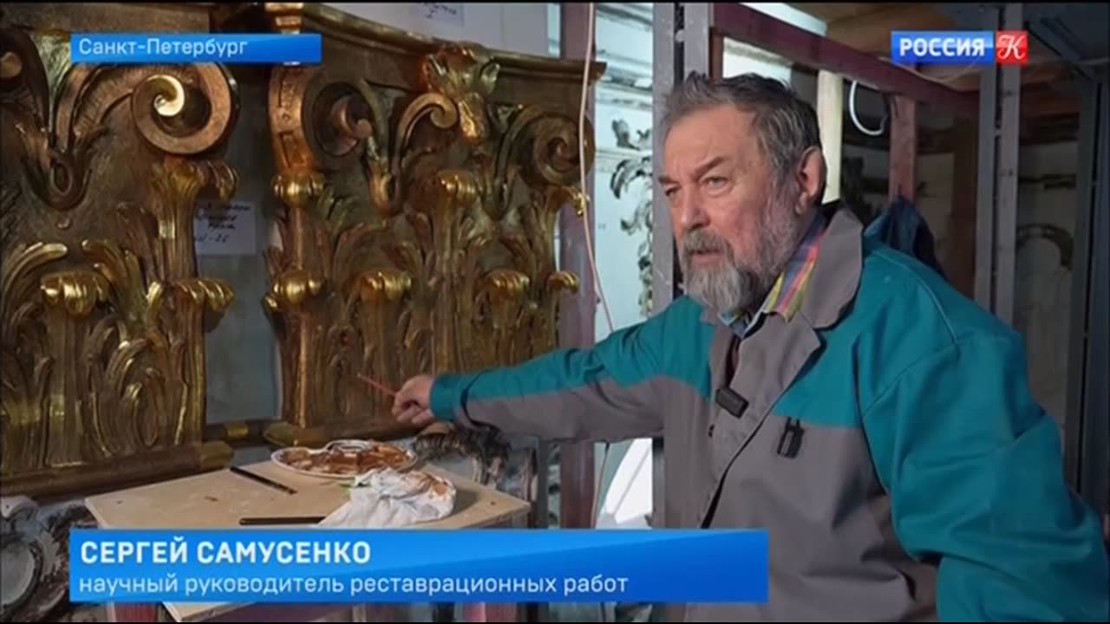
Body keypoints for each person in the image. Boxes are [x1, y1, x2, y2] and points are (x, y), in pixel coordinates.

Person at [390, 72, 1110, 622]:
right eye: (672, 191)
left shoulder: (922, 341)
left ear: (804, 180)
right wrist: (452, 395)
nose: (687, 217)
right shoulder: (700, 321)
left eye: (715, 181)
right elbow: (589, 381)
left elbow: (1026, 586)